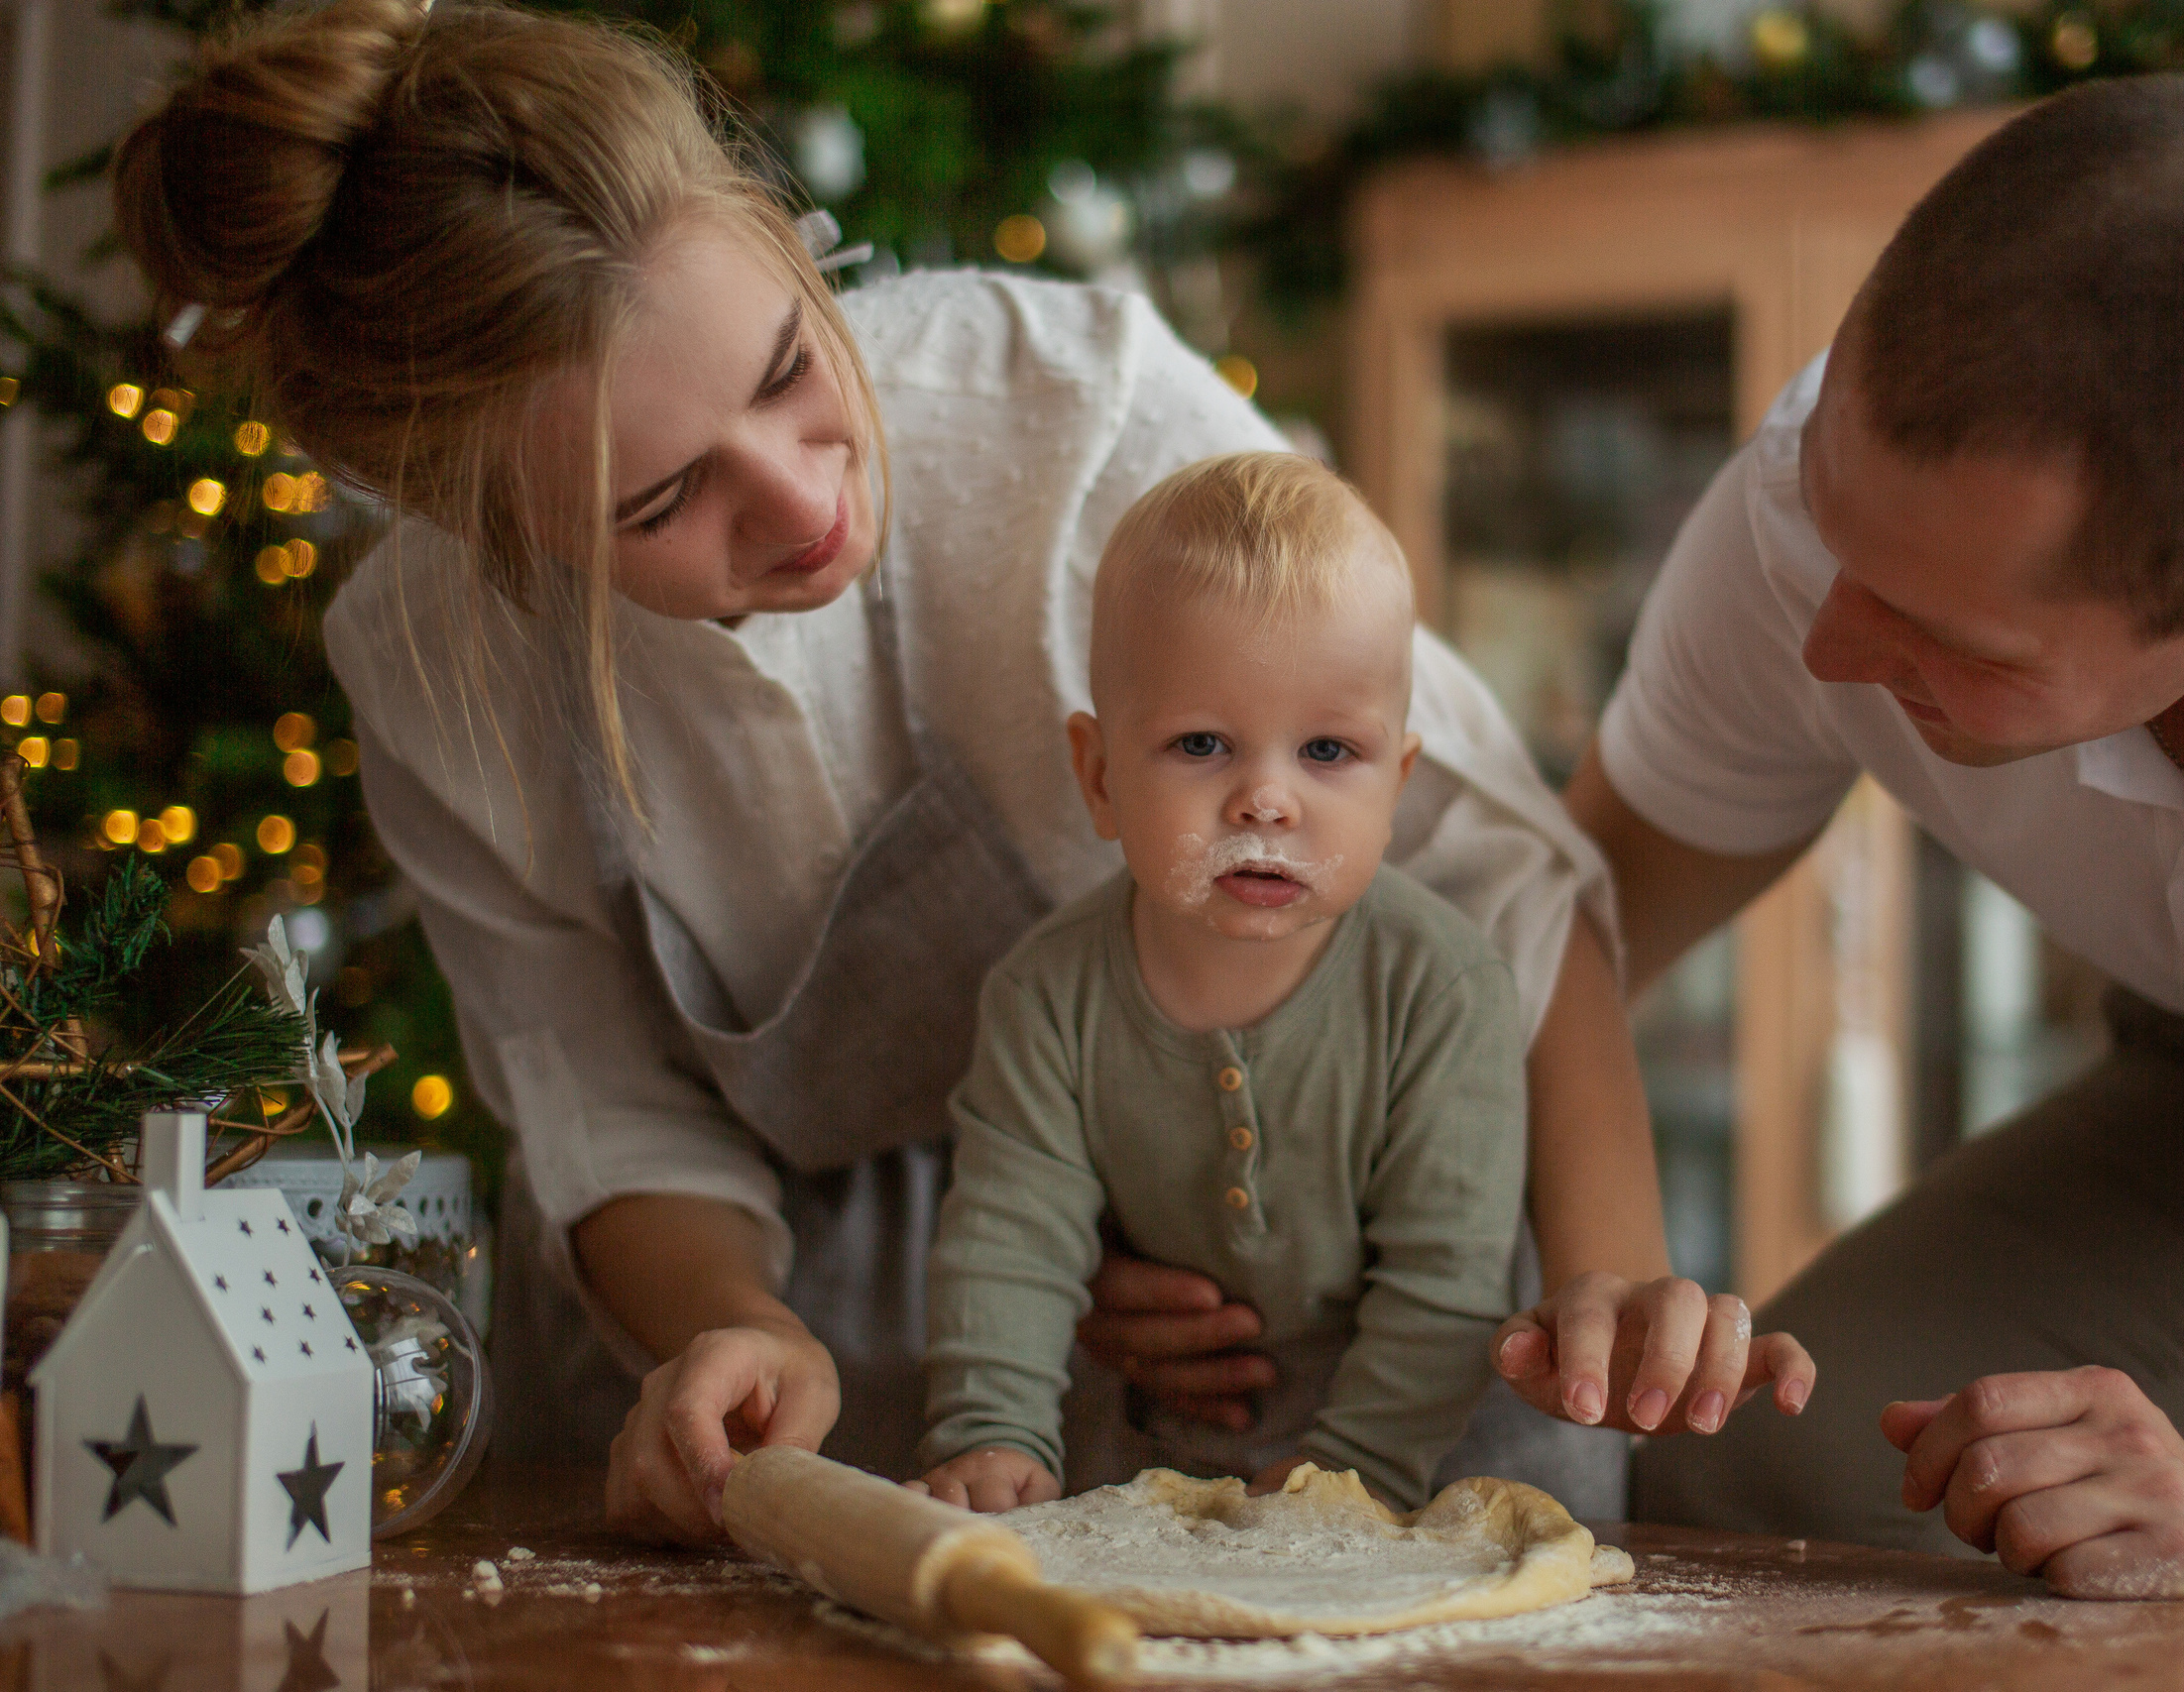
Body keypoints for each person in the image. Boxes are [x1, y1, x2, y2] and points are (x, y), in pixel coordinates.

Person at [110, 0, 1784, 1544]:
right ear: (483, 528)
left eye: (787, 366)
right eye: (661, 501)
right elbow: (613, 1113)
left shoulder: (1068, 414)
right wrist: (748, 1338)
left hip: (1308, 1304)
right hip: (843, 1321)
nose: (800, 496)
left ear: (780, 234)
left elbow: (1494, 879)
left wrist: (1614, 1273)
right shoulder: (432, 660)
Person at [1552, 74, 2184, 1629]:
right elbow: (1574, 917)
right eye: (1831, 537)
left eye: (1948, 633)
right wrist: (1605, 1265)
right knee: (1770, 1496)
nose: (1825, 640)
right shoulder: (1836, 502)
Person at [915, 452, 1813, 1514]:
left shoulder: (1444, 987)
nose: (1264, 799)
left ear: (1397, 784)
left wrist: (1351, 1474)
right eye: (1201, 744)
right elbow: (1009, 1241)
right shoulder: (1042, 995)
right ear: (1102, 775)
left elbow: (1445, 1278)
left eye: (1327, 751)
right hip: (1170, 1445)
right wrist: (994, 1431)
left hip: (1448, 1454)